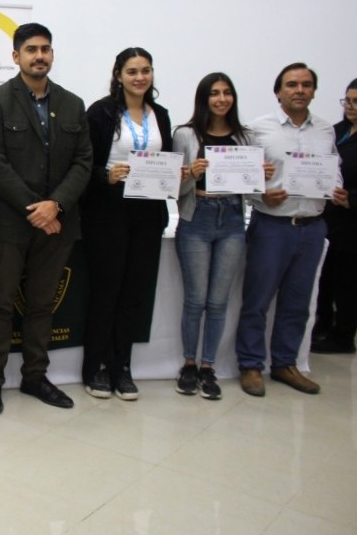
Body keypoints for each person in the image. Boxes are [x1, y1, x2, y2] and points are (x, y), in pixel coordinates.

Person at [0, 23, 92, 415]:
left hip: (58, 223)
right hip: (9, 223)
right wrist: (37, 210)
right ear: (16, 56)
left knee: (42, 304)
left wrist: (55, 205)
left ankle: (34, 377)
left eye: (45, 49)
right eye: (30, 49)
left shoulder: (73, 104)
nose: (39, 55)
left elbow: (83, 162)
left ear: (52, 55)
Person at [237, 63, 347, 396]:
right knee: (257, 300)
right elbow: (241, 175)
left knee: (298, 302)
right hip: (272, 225)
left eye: (306, 84)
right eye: (291, 84)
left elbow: (333, 170)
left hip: (313, 227)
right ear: (278, 91)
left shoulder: (326, 130)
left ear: (314, 91)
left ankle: (285, 363)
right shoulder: (258, 129)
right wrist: (260, 193)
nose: (299, 90)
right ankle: (251, 365)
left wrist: (337, 189)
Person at [173, 73, 273, 400]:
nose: (221, 99)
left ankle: (208, 367)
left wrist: (262, 177)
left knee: (218, 302)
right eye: (214, 93)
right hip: (197, 217)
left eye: (227, 93)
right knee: (195, 299)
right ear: (204, 98)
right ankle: (188, 364)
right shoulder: (186, 134)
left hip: (231, 219)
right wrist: (192, 175)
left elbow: (252, 189)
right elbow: (175, 189)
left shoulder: (246, 138)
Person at [81, 47, 173, 401]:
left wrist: (173, 172)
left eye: (146, 70)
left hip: (148, 212)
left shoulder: (160, 114)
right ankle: (97, 367)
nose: (140, 77)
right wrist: (106, 175)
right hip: (107, 214)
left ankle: (123, 366)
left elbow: (164, 159)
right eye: (132, 71)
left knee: (134, 292)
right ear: (118, 74)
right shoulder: (101, 113)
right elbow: (81, 166)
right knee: (106, 292)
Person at [311, 79, 357, 354]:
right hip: (328, 218)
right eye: (348, 100)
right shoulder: (334, 132)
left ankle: (343, 335)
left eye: (356, 102)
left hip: (353, 222)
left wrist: (352, 199)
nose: (351, 107)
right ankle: (321, 325)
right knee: (325, 276)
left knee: (348, 281)